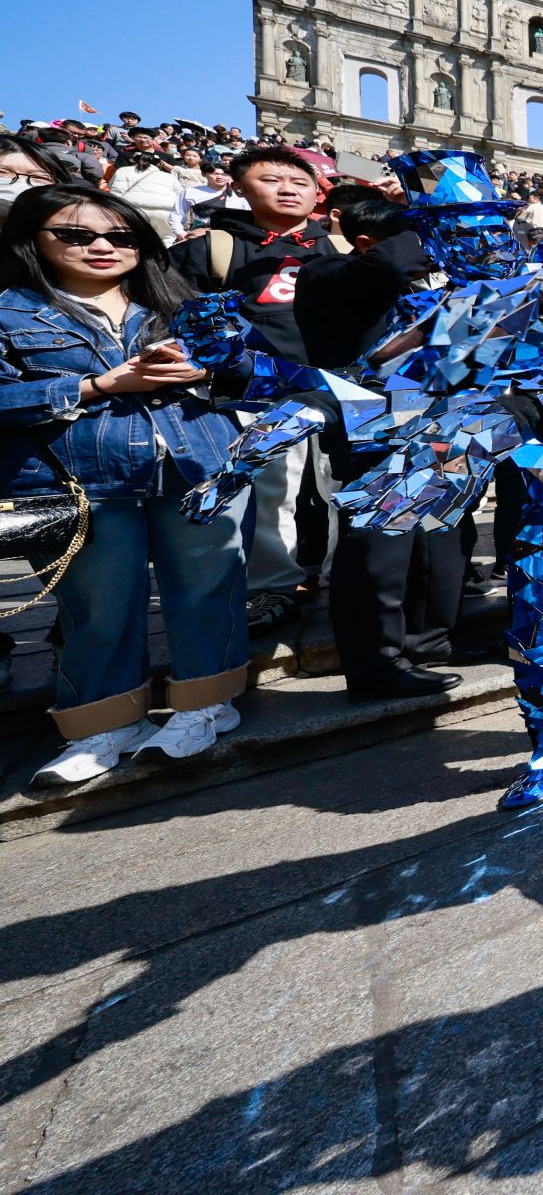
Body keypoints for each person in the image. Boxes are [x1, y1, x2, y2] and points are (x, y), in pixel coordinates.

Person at [0, 187, 249, 785]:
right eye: (76, 234)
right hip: (79, 479)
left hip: (196, 462)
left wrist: (207, 368)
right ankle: (105, 724)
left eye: (121, 236)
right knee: (98, 606)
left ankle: (206, 704)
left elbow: (247, 369)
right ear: (33, 239)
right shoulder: (9, 310)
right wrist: (97, 386)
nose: (102, 247)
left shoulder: (180, 299)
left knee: (208, 588)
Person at [168, 145, 351, 629]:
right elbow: (176, 315)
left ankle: (346, 579)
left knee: (343, 486)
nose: (288, 189)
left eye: (300, 182)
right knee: (271, 490)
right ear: (239, 187)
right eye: (271, 180)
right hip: (257, 391)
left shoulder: (345, 248)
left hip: (341, 388)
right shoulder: (212, 248)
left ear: (318, 193)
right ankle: (271, 587)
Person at [291, 195, 465, 702]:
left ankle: (428, 640)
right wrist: (435, 222)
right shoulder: (326, 273)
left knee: (437, 538)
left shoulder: (425, 282)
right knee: (379, 546)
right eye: (426, 242)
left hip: (436, 417)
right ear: (367, 242)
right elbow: (391, 264)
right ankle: (374, 664)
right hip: (371, 420)